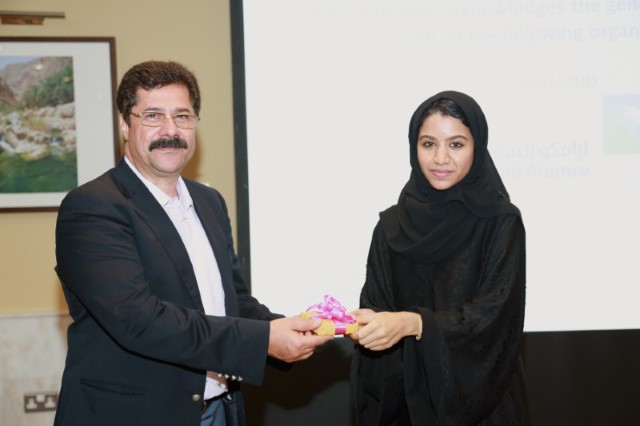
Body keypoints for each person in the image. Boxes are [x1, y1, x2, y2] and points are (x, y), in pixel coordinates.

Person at [53, 60, 332, 426]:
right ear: (125, 124)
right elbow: (139, 320)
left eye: (182, 116)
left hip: (220, 410)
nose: (170, 130)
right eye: (153, 116)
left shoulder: (209, 201)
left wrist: (288, 326)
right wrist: (263, 339)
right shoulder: (93, 206)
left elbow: (233, 301)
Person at [349, 91, 530, 425]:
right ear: (413, 147)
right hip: (404, 404)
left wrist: (415, 323)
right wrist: (362, 325)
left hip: (483, 405)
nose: (440, 158)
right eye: (428, 144)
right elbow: (376, 305)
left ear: (477, 148)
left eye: (456, 144)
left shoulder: (500, 221)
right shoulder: (391, 227)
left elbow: (493, 317)